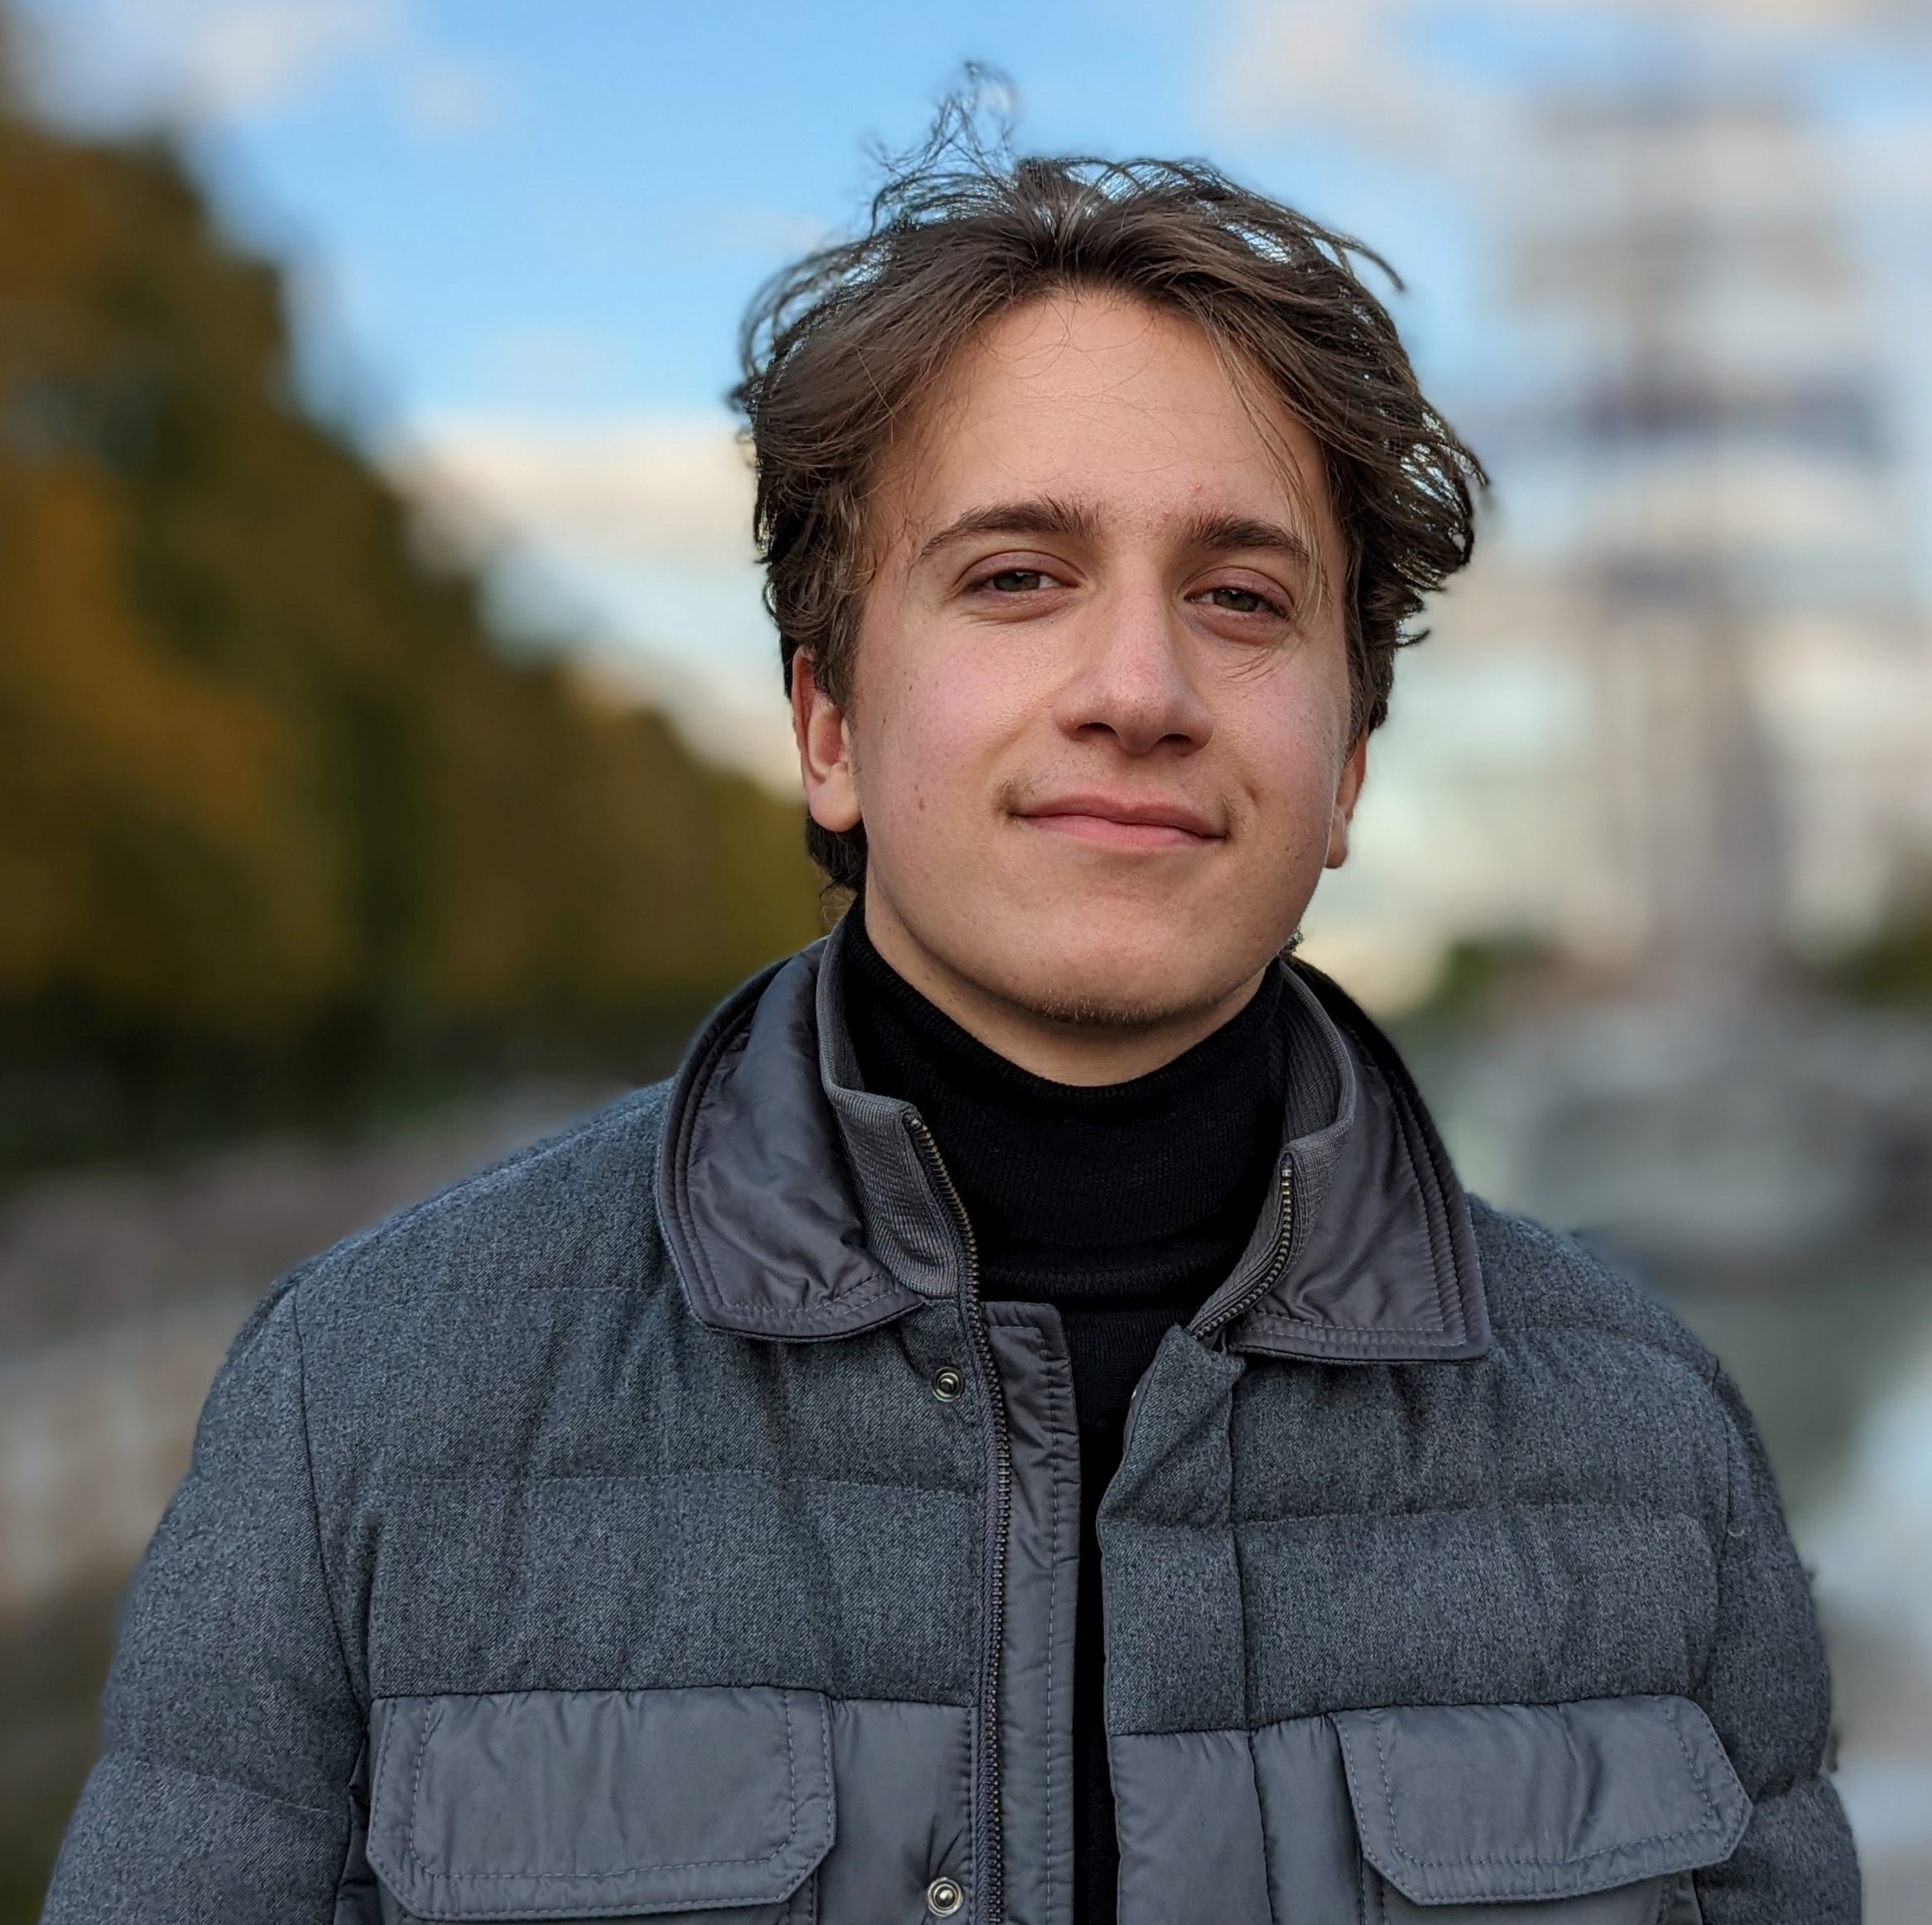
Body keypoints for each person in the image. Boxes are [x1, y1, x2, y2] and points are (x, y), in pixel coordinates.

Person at [44, 111, 1858, 1925]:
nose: (1137, 687)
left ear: (1348, 772)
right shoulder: (363, 1405)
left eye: (1241, 598)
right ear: (829, 727)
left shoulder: (1653, 1446)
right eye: (1016, 578)